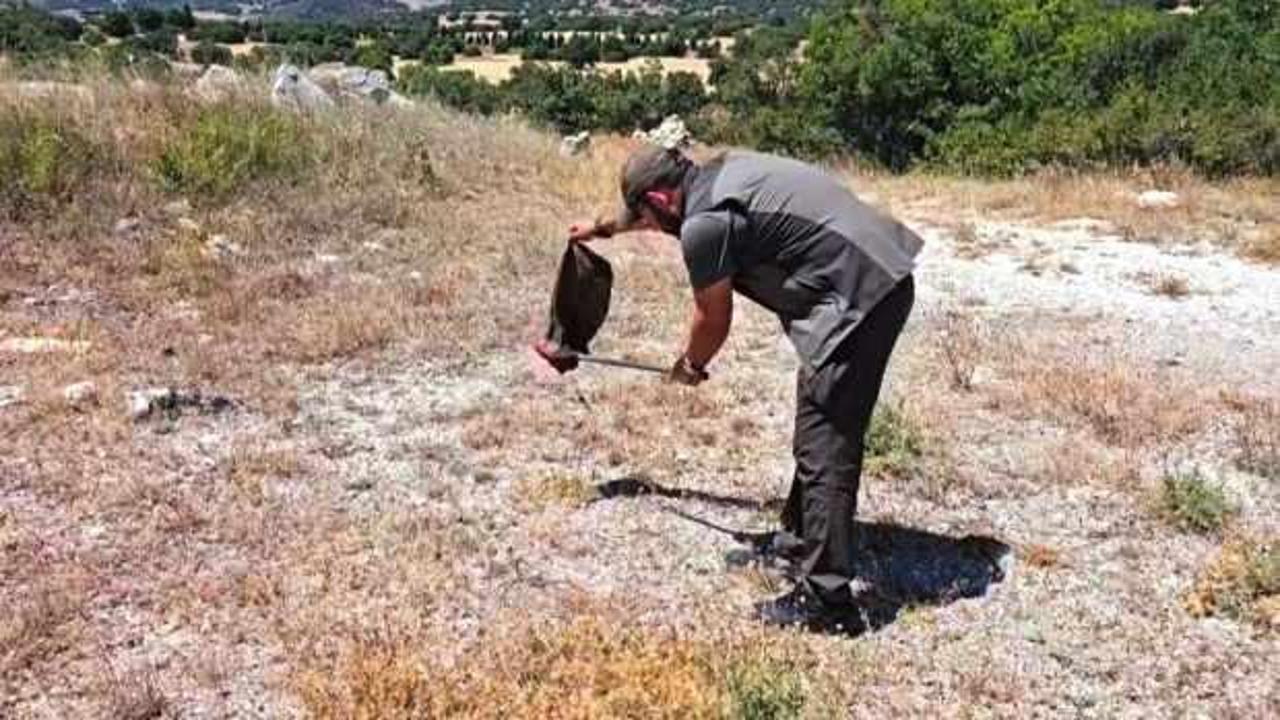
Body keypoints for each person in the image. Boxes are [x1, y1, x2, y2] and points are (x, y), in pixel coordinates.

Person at [569, 145, 922, 632]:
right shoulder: (719, 171)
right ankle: (799, 543)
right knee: (819, 425)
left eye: (647, 217)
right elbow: (653, 216)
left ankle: (829, 603)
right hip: (876, 271)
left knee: (826, 442)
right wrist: (602, 228)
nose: (647, 225)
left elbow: (712, 319)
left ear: (661, 198)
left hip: (861, 295)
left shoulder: (704, 224)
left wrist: (690, 365)